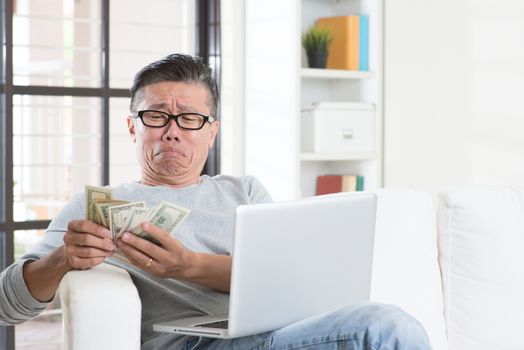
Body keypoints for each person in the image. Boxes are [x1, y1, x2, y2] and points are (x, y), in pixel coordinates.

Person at [0, 53, 431, 349]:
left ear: (211, 130)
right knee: (385, 326)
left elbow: (290, 279)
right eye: (156, 116)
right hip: (193, 345)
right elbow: (7, 308)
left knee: (381, 319)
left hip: (276, 335)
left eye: (189, 119)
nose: (172, 131)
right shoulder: (96, 206)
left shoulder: (245, 192)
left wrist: (188, 266)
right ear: (134, 127)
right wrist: (61, 259)